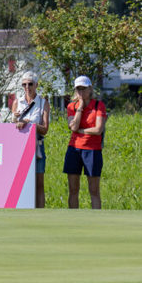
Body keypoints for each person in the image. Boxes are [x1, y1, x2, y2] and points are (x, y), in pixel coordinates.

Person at [63, 75, 106, 209]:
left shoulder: (99, 106)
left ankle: (97, 221)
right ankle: (73, 221)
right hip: (74, 149)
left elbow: (98, 129)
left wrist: (81, 131)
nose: (81, 92)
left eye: (83, 89)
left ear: (90, 89)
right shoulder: (72, 106)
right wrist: (80, 108)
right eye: (78, 89)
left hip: (92, 150)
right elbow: (73, 127)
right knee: (73, 190)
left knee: (94, 190)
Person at [11, 71, 51, 208]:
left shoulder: (43, 103)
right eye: (24, 84)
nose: (27, 87)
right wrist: (15, 119)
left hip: (37, 145)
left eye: (30, 84)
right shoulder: (17, 102)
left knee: (39, 182)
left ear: (36, 85)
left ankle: (40, 212)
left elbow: (45, 129)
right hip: (20, 146)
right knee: (22, 182)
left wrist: (30, 124)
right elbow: (12, 127)